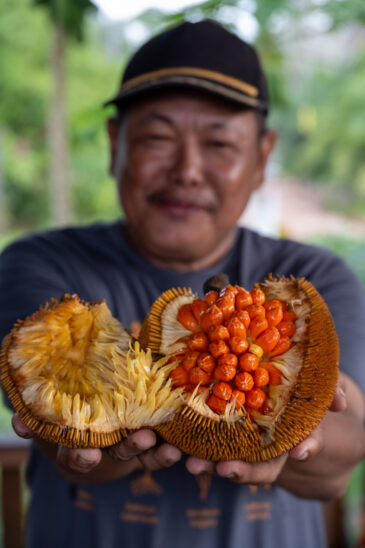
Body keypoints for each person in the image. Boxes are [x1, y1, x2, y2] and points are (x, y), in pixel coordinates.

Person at [1, 19, 365, 548]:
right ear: (113, 143)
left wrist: (299, 432)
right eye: (157, 137)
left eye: (219, 143)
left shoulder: (318, 277)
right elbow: (69, 449)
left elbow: (341, 459)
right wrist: (109, 435)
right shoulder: (38, 265)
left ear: (262, 158)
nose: (188, 169)